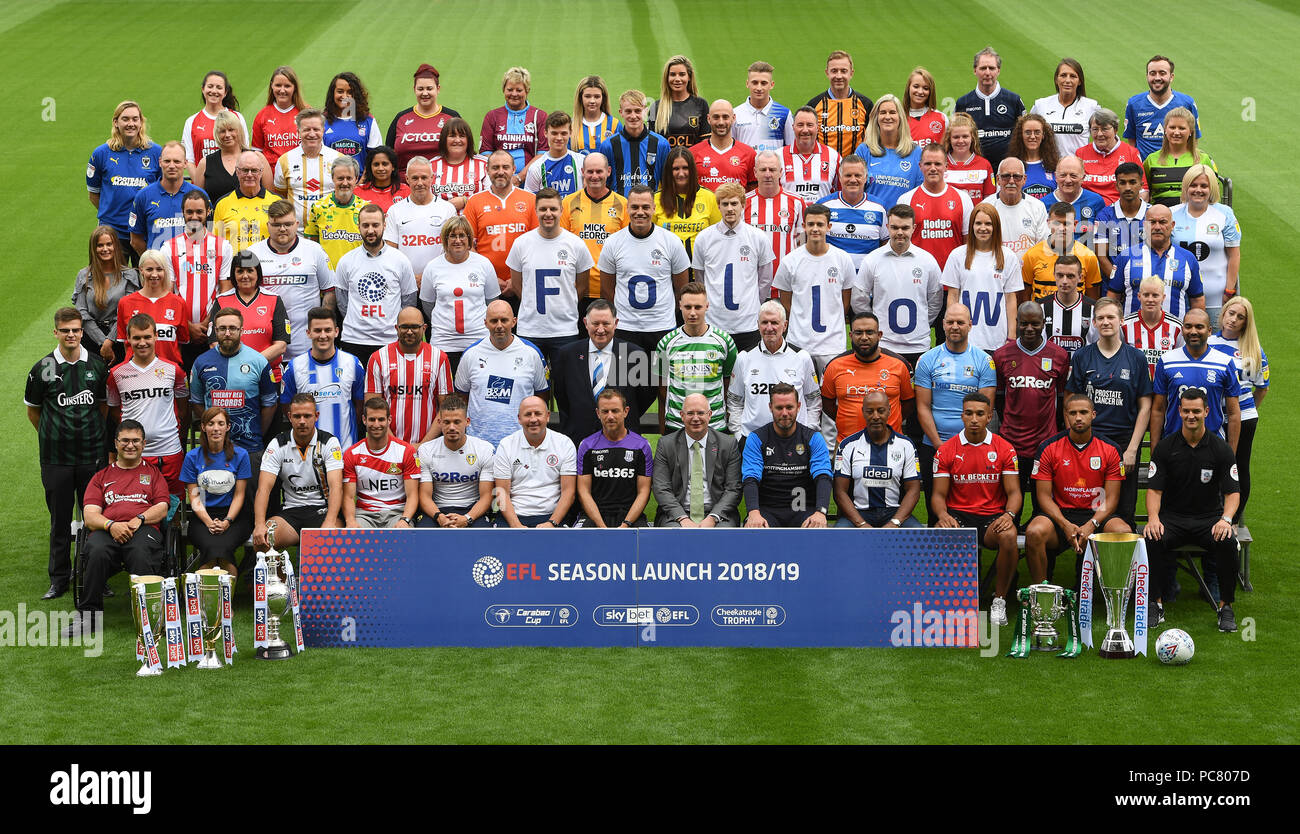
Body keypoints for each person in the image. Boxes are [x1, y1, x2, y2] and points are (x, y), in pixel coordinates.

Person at [27, 308, 108, 600]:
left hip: (91, 457)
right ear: (56, 332)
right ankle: (59, 579)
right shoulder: (42, 368)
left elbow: (102, 407)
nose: (71, 335)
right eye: (65, 330)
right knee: (60, 520)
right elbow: (34, 412)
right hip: (56, 459)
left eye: (75, 330)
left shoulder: (97, 366)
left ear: (82, 332)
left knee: (95, 519)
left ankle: (97, 576)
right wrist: (55, 435)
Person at [1145, 388, 1240, 632]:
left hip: (1208, 520)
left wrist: (1226, 520)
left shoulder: (1221, 449)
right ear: (1179, 411)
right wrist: (1153, 518)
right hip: (1172, 520)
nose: (1191, 416)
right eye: (1186, 411)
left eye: (1196, 411)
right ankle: (1155, 604)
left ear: (1206, 412)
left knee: (1228, 541)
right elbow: (1154, 491)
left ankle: (1225, 607)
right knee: (1150, 538)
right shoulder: (1165, 448)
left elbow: (1233, 493)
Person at [64, 420, 169, 636]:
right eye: (125, 441)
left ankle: (149, 616)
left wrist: (139, 518)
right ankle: (88, 616)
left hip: (143, 528)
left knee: (141, 552)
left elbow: (161, 508)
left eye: (135, 441)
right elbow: (90, 514)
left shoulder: (154, 474)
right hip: (106, 529)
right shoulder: (101, 477)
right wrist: (111, 525)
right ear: (116, 443)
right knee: (96, 551)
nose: (130, 445)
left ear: (144, 443)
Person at [931, 392, 1021, 624]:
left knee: (1009, 536)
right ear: (961, 415)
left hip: (991, 518)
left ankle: (998, 601)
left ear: (989, 416)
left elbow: (1014, 493)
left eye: (980, 414)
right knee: (942, 531)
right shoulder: (946, 450)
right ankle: (953, 602)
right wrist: (942, 515)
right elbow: (938, 495)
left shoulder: (1004, 448)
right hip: (958, 516)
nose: (974, 419)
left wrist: (1009, 515)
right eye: (969, 413)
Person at [1025, 393, 1130, 587]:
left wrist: (1092, 524)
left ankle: (1114, 596)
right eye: (1073, 413)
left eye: (1083, 412)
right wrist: (1065, 524)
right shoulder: (1048, 447)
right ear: (1066, 416)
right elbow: (1043, 496)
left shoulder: (1111, 449)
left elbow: (1112, 498)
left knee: (1122, 531)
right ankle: (1042, 595)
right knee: (1034, 532)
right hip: (1060, 515)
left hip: (1097, 514)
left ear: (1093, 414)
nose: (1078, 417)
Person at [1066, 297, 1152, 525]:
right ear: (1093, 323)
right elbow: (1070, 401)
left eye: (1111, 317)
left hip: (1124, 443)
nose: (1106, 322)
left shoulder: (1136, 358)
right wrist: (1075, 442)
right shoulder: (1083, 356)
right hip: (1091, 442)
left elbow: (1145, 406)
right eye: (1101, 318)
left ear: (1122, 320)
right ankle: (1088, 559)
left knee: (1124, 509)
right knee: (1094, 507)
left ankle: (1121, 559)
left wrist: (1133, 448)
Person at [914, 305, 997, 515]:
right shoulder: (926, 360)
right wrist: (939, 445)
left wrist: (967, 446)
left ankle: (972, 548)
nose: (954, 327)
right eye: (950, 322)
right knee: (937, 511)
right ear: (942, 325)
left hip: (973, 447)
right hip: (934, 445)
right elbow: (922, 407)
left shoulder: (985, 361)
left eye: (960, 322)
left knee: (971, 509)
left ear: (970, 325)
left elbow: (984, 410)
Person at [992, 301, 1069, 519]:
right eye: (1024, 323)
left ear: (1044, 323)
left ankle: (1045, 553)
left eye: (1034, 324)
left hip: (1045, 445)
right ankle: (1009, 551)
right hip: (1011, 444)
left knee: (1044, 509)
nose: (1029, 328)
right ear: (1016, 323)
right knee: (1009, 507)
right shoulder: (1002, 355)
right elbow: (999, 399)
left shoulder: (1059, 355)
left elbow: (1062, 398)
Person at [598, 185, 691, 354]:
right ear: (627, 209)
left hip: (662, 328)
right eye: (634, 207)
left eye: (645, 207)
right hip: (626, 328)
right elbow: (606, 290)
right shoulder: (613, 243)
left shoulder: (671, 241)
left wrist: (665, 314)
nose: (640, 212)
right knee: (625, 380)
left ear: (654, 209)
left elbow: (682, 289)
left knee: (660, 380)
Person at [507, 187, 594, 366]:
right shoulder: (521, 244)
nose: (548, 214)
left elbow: (583, 286)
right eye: (543, 209)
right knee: (529, 383)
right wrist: (532, 302)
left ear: (561, 210)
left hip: (564, 329)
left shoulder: (576, 244)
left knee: (564, 386)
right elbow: (516, 285)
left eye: (553, 209)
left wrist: (565, 304)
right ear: (536, 210)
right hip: (530, 328)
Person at [772, 204, 854, 385]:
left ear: (829, 226)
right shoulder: (790, 261)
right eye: (811, 224)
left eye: (820, 224)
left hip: (832, 344)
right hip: (800, 342)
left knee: (831, 395)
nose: (815, 229)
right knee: (798, 393)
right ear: (803, 226)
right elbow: (786, 303)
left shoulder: (842, 259)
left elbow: (845, 303)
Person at [189, 306, 279, 470]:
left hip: (250, 447)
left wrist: (257, 432)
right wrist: (213, 428)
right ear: (215, 331)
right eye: (222, 328)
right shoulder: (201, 362)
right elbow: (196, 401)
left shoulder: (258, 361)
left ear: (241, 330)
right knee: (214, 494)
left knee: (251, 496)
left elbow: (270, 404)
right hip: (214, 448)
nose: (228, 333)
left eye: (232, 328)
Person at [852, 204, 943, 364]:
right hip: (884, 345)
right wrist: (874, 326)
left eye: (905, 227)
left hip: (918, 346)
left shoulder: (927, 260)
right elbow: (859, 298)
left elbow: (935, 301)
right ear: (887, 227)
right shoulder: (873, 259)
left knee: (917, 389)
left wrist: (921, 324)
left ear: (913, 228)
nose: (900, 232)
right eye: (894, 227)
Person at [550, 299, 650, 445]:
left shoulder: (634, 355)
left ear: (615, 323)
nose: (601, 329)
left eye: (606, 324)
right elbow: (561, 396)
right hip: (579, 438)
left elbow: (645, 397)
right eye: (595, 324)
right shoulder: (566, 355)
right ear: (585, 323)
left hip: (622, 440)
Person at [246, 199, 335, 359]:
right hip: (266, 345)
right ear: (267, 226)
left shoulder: (314, 250)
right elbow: (244, 296)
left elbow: (329, 290)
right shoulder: (252, 253)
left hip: (307, 343)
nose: (282, 229)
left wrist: (323, 327)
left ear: (296, 223)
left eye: (287, 224)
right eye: (276, 224)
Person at [253, 393, 344, 552]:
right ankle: (282, 578)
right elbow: (263, 489)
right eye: (297, 416)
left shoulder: (329, 442)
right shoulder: (277, 444)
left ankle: (321, 578)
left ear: (316, 416)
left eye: (307, 416)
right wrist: (259, 524)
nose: (302, 421)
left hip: (323, 510)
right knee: (264, 541)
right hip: (291, 512)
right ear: (289, 416)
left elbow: (336, 487)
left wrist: (329, 522)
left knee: (330, 542)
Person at [693, 182, 776, 351]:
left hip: (748, 323)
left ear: (743, 205)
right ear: (718, 206)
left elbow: (765, 279)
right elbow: (700, 277)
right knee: (715, 374)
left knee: (747, 373)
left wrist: (752, 305)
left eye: (734, 203)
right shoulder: (704, 238)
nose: (730, 209)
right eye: (725, 204)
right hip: (714, 322)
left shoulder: (758, 237)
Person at [454, 300, 549, 448]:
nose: (499, 326)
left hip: (521, 444)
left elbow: (542, 396)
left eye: (504, 320)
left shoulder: (531, 353)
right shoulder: (471, 354)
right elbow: (461, 397)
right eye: (493, 321)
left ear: (514, 321)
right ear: (485, 323)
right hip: (478, 444)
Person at [334, 204, 418, 366]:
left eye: (375, 225)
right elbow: (342, 300)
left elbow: (409, 301)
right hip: (354, 340)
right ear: (358, 226)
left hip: (390, 339)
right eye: (365, 225)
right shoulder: (346, 261)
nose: (370, 230)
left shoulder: (400, 260)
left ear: (384, 225)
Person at [1210, 296, 1268, 523]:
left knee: (1238, 465)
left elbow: (1262, 388)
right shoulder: (1209, 343)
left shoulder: (1253, 350)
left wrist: (1245, 412)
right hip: (1213, 416)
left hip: (1243, 418)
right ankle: (1211, 512)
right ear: (1222, 314)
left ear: (1246, 322)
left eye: (1240, 317)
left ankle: (1232, 519)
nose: (1233, 320)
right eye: (1231, 313)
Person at [742, 384, 832, 528]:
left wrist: (821, 512)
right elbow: (750, 478)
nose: (784, 413)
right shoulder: (756, 438)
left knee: (817, 530)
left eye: (789, 407)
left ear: (799, 406)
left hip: (803, 510)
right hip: (766, 512)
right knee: (754, 532)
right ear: (770, 407)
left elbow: (823, 476)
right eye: (779, 408)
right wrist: (753, 512)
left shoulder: (813, 438)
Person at [1151, 307, 1241, 450]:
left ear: (1209, 331)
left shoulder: (1224, 363)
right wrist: (1155, 451)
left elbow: (1234, 413)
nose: (1193, 331)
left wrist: (1231, 455)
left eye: (1199, 327)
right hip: (1173, 445)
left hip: (1212, 446)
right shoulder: (1167, 361)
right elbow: (1158, 409)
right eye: (1188, 326)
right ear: (1182, 330)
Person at [728, 300, 821, 438]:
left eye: (775, 323)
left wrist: (808, 432)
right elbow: (734, 401)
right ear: (758, 325)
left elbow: (813, 400)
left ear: (785, 325)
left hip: (794, 439)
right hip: (753, 439)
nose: (769, 328)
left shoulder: (802, 357)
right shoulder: (744, 358)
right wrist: (738, 435)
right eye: (764, 322)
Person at [419, 216, 500, 371]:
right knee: (445, 391)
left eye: (462, 235)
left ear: (469, 239)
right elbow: (428, 304)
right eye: (452, 236)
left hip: (478, 339)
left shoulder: (483, 264)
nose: (457, 240)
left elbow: (492, 302)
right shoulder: (433, 267)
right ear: (445, 239)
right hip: (444, 341)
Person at [833, 390, 923, 528]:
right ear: (863, 412)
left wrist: (895, 522)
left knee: (918, 535)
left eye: (881, 411)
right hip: (860, 512)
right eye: (870, 411)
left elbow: (914, 490)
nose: (875, 416)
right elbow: (839, 492)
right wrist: (861, 523)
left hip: (894, 512)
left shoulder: (906, 445)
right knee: (839, 533)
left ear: (889, 411)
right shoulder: (848, 445)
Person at [181, 406, 253, 578]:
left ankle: (225, 604)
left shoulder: (240, 455)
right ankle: (209, 602)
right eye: (211, 423)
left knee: (223, 547)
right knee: (213, 548)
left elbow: (239, 494)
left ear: (227, 427)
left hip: (234, 517)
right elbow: (194, 497)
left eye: (221, 423)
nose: (216, 428)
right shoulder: (192, 457)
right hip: (202, 517)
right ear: (203, 427)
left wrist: (227, 521)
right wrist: (208, 522)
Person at [656, 282, 737, 434]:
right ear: (679, 306)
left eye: (698, 307)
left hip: (715, 425)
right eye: (688, 307)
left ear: (707, 306)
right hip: (676, 425)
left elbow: (728, 384)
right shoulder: (665, 343)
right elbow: (661, 390)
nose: (692, 313)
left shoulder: (725, 342)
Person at [365, 306, 453, 446]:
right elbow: (371, 408)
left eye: (415, 327)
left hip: (427, 446)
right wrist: (395, 444)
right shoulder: (378, 358)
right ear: (396, 328)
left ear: (424, 328)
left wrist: (423, 444)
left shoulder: (439, 358)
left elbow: (445, 408)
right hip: (388, 445)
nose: (410, 332)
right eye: (404, 327)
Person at [942, 203, 1023, 353]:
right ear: (971, 225)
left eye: (988, 223)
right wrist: (951, 331)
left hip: (997, 338)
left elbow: (1011, 299)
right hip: (966, 338)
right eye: (978, 223)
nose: (983, 228)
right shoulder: (957, 255)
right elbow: (952, 296)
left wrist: (1011, 336)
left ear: (996, 226)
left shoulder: (1009, 256)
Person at [820, 311, 913, 442]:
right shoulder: (834, 366)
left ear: (879, 335)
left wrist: (890, 421)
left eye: (869, 332)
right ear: (851, 335)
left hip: (891, 444)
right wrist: (846, 420)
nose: (864, 337)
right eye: (858, 333)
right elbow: (826, 404)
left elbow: (909, 403)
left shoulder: (899, 365)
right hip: (847, 443)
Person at [282, 306, 366, 449]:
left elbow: (360, 406)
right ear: (308, 333)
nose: (322, 335)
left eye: (327, 330)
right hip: (308, 453)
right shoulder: (294, 367)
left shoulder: (353, 363)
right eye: (317, 330)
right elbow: (287, 408)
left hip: (344, 451)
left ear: (336, 332)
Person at [652, 394, 742, 527]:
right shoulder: (666, 445)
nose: (695, 418)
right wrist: (682, 518)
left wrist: (713, 517)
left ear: (709, 415)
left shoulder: (728, 445)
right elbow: (661, 488)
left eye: (700, 413)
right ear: (682, 416)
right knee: (674, 535)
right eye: (690, 413)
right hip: (677, 515)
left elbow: (733, 489)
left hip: (718, 514)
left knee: (722, 535)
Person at [87, 101, 161, 263]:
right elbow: (93, 194)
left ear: (141, 122)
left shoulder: (156, 153)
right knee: (110, 284)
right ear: (116, 122)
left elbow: (162, 190)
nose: (131, 124)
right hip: (112, 235)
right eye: (125, 119)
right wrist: (112, 214)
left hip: (144, 233)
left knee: (145, 283)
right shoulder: (101, 154)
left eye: (135, 119)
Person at [166, 192, 233, 369]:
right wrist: (187, 326)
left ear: (208, 212)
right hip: (179, 329)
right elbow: (167, 292)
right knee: (182, 384)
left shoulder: (223, 246)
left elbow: (225, 291)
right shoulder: (169, 247)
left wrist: (208, 324)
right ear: (182, 213)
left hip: (212, 329)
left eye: (199, 212)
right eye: (189, 212)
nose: (194, 216)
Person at [464, 149, 539, 304]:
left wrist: (518, 278)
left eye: (505, 167)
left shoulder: (531, 200)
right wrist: (489, 277)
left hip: (524, 283)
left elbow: (538, 244)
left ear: (513, 169)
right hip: (485, 283)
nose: (500, 172)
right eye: (495, 167)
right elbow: (468, 246)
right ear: (487, 170)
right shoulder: (474, 201)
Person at [562, 153, 628, 325]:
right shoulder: (568, 203)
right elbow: (561, 244)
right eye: (590, 171)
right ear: (582, 172)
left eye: (599, 171)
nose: (594, 176)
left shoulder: (623, 204)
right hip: (577, 290)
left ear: (609, 171)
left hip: (611, 290)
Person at [1106, 204, 1203, 319]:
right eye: (1152, 222)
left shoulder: (1188, 258)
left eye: (1162, 222)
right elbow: (1113, 298)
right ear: (1144, 225)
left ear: (1172, 225)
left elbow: (1197, 299)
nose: (1157, 227)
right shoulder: (1126, 256)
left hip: (1175, 334)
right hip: (1132, 334)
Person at [492, 396, 576, 528]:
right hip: (513, 516)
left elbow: (569, 492)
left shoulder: (564, 443)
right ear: (519, 418)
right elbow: (501, 493)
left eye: (538, 413)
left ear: (548, 416)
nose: (533, 419)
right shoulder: (506, 445)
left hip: (552, 516)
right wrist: (516, 525)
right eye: (527, 414)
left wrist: (552, 523)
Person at [1172, 164, 1240, 326]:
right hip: (1179, 296)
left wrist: (1229, 290)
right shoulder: (1171, 213)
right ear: (1186, 187)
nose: (1198, 190)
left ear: (1212, 188)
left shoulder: (1225, 214)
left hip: (1217, 297)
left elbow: (1234, 255)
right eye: (1193, 185)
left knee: (1217, 344)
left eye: (1204, 186)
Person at [574, 390, 654, 528]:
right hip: (595, 515)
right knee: (579, 543)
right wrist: (601, 526)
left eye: (615, 411)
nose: (610, 416)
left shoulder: (641, 445)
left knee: (646, 546)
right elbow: (583, 492)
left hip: (630, 516)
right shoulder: (587, 445)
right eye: (605, 411)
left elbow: (644, 491)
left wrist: (625, 524)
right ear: (598, 413)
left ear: (625, 411)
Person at [205, 249, 289, 380]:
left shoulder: (274, 299)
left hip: (267, 374)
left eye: (250, 270)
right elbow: (214, 343)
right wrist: (238, 365)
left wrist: (250, 364)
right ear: (233, 274)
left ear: (258, 273)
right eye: (240, 271)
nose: (245, 276)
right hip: (232, 375)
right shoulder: (221, 301)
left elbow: (281, 345)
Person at [416, 394, 495, 528]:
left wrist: (467, 518)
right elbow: (424, 496)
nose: (452, 427)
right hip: (437, 510)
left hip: (472, 509)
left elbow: (487, 496)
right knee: (424, 536)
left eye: (457, 422)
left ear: (467, 421)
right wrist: (439, 517)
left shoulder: (484, 449)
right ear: (439, 422)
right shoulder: (426, 450)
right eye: (447, 422)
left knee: (484, 537)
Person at [341, 398, 419, 529]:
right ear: (364, 420)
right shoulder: (352, 453)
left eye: (381, 419)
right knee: (354, 538)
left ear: (389, 420)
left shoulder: (406, 451)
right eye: (372, 419)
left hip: (397, 513)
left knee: (403, 538)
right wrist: (350, 521)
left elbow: (412, 495)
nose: (376, 424)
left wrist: (405, 520)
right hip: (364, 515)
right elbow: (348, 497)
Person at [897, 145, 974, 270]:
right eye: (928, 164)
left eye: (937, 164)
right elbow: (900, 242)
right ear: (920, 166)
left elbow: (968, 243)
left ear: (946, 166)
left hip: (952, 278)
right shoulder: (906, 200)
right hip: (916, 276)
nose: (933, 168)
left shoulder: (963, 199)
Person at [382, 156, 456, 286]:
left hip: (440, 281)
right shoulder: (395, 211)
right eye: (415, 178)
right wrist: (409, 278)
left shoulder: (447, 209)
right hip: (405, 283)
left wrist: (428, 276)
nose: (420, 183)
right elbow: (390, 253)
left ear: (432, 178)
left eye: (424, 177)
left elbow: (452, 250)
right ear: (407, 179)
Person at [73, 226, 140, 366]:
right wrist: (103, 342)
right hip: (91, 340)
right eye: (100, 245)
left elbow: (128, 312)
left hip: (121, 339)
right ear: (94, 249)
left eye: (109, 244)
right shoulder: (84, 276)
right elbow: (82, 313)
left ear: (116, 246)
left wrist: (110, 341)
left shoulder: (130, 275)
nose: (105, 249)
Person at [387, 63, 462, 181]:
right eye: (420, 89)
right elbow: (388, 155)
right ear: (414, 89)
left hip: (444, 185)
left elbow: (466, 152)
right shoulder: (401, 118)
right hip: (405, 186)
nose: (425, 93)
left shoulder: (452, 117)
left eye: (429, 88)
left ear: (438, 89)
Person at [115, 250, 189, 367]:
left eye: (159, 269)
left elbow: (179, 344)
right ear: (141, 270)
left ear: (165, 271)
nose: (154, 274)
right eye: (149, 269)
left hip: (169, 374)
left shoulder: (178, 303)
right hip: (137, 373)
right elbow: (126, 343)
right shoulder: (125, 303)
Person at [954, 47, 1025, 169]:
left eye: (991, 68)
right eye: (983, 68)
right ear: (975, 70)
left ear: (998, 70)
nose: (987, 73)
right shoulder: (963, 103)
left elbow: (1024, 135)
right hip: (974, 170)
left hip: (1007, 170)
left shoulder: (1013, 100)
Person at [130, 141, 204, 254]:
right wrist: (152, 261)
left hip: (191, 268)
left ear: (185, 163)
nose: (172, 166)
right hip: (158, 270)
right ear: (160, 162)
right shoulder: (143, 196)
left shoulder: (200, 195)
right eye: (167, 161)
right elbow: (135, 240)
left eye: (177, 161)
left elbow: (210, 233)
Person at [1019, 201, 1102, 301]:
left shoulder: (1088, 256)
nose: (1061, 228)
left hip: (1076, 315)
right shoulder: (1031, 255)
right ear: (1048, 223)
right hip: (1040, 315)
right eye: (1057, 223)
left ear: (1075, 224)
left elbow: (1092, 299)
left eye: (1066, 223)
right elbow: (1023, 297)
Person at [1123, 55, 1200, 161]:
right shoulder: (1134, 104)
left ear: (1171, 77)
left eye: (1162, 73)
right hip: (1146, 169)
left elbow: (1194, 139)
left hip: (1177, 168)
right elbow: (1131, 140)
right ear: (1147, 76)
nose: (1157, 78)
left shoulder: (1187, 103)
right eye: (1152, 73)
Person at [273, 109, 341, 228]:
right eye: (306, 129)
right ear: (298, 131)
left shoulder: (338, 159)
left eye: (316, 129)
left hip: (330, 231)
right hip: (296, 233)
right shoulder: (285, 160)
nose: (312, 134)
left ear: (323, 130)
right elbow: (281, 195)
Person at [817, 155, 886, 270]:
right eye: (848, 175)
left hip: (867, 280)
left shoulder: (879, 208)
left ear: (865, 177)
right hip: (832, 278)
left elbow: (886, 242)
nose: (853, 180)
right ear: (840, 177)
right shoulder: (824, 206)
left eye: (858, 175)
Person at [854, 94, 923, 209]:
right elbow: (855, 190)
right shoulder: (864, 150)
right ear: (876, 118)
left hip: (902, 222)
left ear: (900, 117)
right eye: (882, 113)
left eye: (892, 112)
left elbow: (920, 192)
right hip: (871, 220)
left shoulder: (915, 152)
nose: (887, 117)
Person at [597, 90, 671, 195]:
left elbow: (667, 183)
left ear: (645, 112)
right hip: (619, 208)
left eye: (637, 111)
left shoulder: (661, 144)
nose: (633, 116)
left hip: (650, 208)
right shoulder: (608, 145)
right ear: (621, 112)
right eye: (628, 111)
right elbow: (604, 183)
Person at [653, 147, 721, 261]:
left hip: (701, 273)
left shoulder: (709, 197)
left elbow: (719, 238)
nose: (681, 173)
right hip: (665, 273)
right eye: (676, 169)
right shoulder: (656, 199)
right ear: (669, 171)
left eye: (685, 168)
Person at [194, 111, 273, 209]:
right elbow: (198, 202)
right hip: (219, 222)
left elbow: (270, 197)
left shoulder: (258, 158)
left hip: (253, 222)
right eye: (222, 131)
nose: (227, 135)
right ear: (216, 134)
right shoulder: (205, 163)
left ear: (239, 131)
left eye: (231, 130)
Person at [746, 150, 806, 277]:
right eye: (763, 170)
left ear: (781, 172)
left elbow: (803, 241)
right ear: (755, 173)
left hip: (787, 282)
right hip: (752, 282)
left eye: (772, 170)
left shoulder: (797, 202)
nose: (768, 174)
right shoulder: (743, 203)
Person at [480, 66, 547, 177]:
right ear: (503, 90)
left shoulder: (539, 116)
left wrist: (519, 178)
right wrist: (502, 174)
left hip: (530, 180)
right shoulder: (492, 116)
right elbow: (485, 152)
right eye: (510, 90)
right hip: (499, 178)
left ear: (527, 90)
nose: (514, 94)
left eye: (519, 90)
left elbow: (543, 153)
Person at [1143, 107, 1215, 208]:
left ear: (1190, 131)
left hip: (1194, 217)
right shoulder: (1151, 159)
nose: (1176, 132)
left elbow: (1213, 195)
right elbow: (1144, 191)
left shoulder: (1203, 159)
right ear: (1165, 130)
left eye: (1182, 128)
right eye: (1172, 127)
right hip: (1160, 219)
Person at [181, 71, 248, 179]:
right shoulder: (191, 121)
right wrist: (201, 187)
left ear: (225, 92)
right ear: (203, 89)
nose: (214, 91)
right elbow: (189, 160)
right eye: (210, 86)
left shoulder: (237, 117)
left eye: (219, 87)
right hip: (205, 188)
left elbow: (244, 152)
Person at [305, 156, 368, 270]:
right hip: (327, 275)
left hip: (357, 273)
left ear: (356, 179)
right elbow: (311, 245)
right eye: (340, 178)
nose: (345, 183)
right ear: (333, 178)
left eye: (349, 178)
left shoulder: (365, 209)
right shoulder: (318, 207)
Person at [806, 50, 873, 157]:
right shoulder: (814, 105)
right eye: (834, 71)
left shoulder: (865, 104)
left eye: (843, 71)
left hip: (855, 170)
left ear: (851, 73)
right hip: (823, 169)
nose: (838, 76)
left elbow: (874, 140)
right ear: (827, 73)